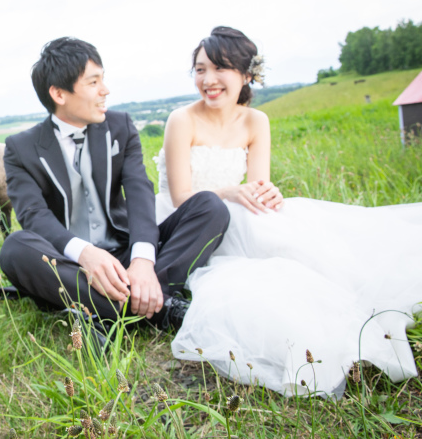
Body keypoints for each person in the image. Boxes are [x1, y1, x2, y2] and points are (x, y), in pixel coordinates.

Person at [157, 26, 422, 397]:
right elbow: (183, 196)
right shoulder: (181, 119)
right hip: (188, 221)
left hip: (238, 212)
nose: (209, 79)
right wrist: (232, 191)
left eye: (220, 68)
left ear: (245, 74)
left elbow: (257, 184)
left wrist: (267, 192)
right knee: (257, 253)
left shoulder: (256, 121)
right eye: (200, 69)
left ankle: (348, 300)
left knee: (290, 230)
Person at [0, 37, 230, 331]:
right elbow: (34, 215)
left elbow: (139, 192)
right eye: (93, 82)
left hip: (125, 251)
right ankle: (158, 309)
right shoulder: (21, 147)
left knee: (210, 206)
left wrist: (143, 261)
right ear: (59, 93)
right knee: (14, 247)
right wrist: (85, 253)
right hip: (72, 262)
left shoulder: (120, 126)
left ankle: (128, 299)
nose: (105, 90)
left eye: (103, 79)